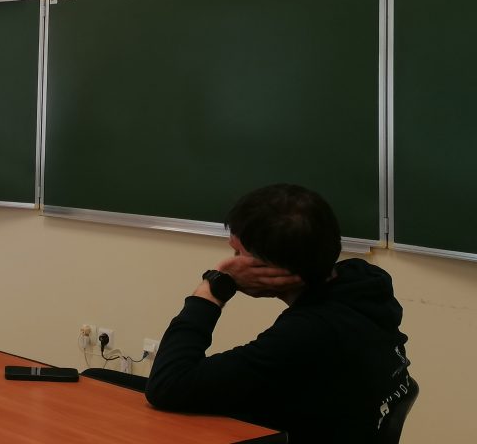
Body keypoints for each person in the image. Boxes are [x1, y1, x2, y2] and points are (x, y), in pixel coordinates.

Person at [143, 184, 413, 443]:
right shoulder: (363, 282)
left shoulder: (308, 333)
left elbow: (168, 385)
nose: (229, 263)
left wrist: (212, 289)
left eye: (237, 253)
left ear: (273, 269)